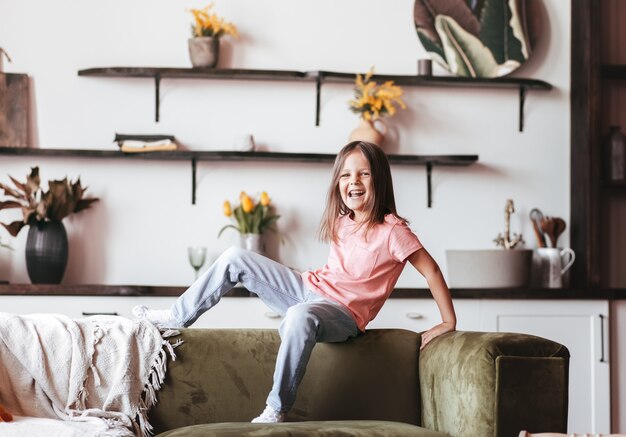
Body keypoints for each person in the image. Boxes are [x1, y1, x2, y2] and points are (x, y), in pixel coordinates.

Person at [132, 141, 456, 423]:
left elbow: (431, 271)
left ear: (380, 180)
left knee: (301, 317)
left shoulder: (393, 231)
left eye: (363, 174)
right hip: (306, 288)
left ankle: (276, 408)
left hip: (342, 314)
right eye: (345, 175)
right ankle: (177, 317)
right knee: (234, 257)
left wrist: (447, 321)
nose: (353, 181)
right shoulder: (343, 221)